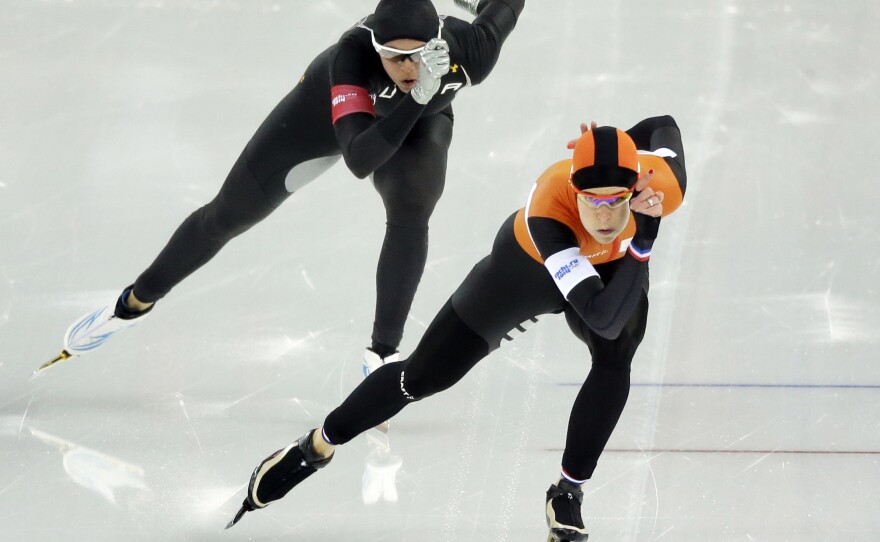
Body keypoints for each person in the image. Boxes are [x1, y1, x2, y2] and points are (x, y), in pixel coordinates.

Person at [226, 115, 688, 539]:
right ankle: (316, 445)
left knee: (615, 356)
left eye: (616, 200)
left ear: (637, 187)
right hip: (527, 272)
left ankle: (567, 493)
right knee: (422, 377)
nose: (605, 216)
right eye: (592, 201)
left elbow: (663, 125)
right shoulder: (550, 207)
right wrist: (644, 239)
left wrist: (617, 145)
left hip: (610, 269)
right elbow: (600, 314)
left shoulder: (661, 184)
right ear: (574, 189)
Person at [41, 0, 526, 377]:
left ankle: (381, 354)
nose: (407, 67)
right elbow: (360, 159)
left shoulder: (470, 50)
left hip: (418, 125)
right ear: (376, 48)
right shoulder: (351, 57)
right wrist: (419, 95)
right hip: (325, 119)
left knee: (412, 205)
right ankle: (134, 302)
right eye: (394, 57)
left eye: (418, 55)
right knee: (228, 214)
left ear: (437, 44)